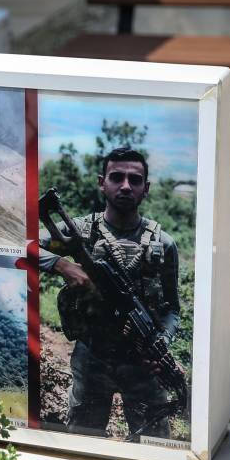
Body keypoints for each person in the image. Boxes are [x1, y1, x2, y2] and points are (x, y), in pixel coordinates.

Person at [40, 147, 182, 439]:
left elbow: (172, 309)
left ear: (146, 189)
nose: (126, 186)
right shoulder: (77, 231)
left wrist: (160, 341)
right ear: (101, 182)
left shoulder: (163, 244)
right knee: (82, 442)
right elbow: (23, 244)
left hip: (142, 365)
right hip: (93, 357)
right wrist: (62, 265)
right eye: (117, 177)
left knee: (154, 446)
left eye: (135, 179)